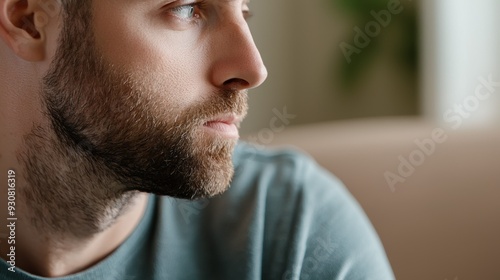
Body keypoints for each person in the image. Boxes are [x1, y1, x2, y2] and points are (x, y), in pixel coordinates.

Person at [0, 0, 395, 279]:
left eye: (245, 11)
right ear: (30, 19)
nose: (253, 68)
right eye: (187, 8)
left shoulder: (287, 228)